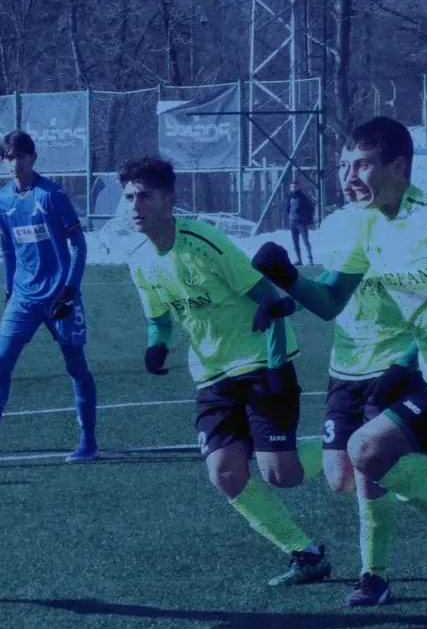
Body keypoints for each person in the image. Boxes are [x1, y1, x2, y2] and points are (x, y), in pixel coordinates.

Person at [121, 155, 331, 587]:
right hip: (212, 377)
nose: (135, 206)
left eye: (144, 196)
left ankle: (344, 447)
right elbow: (159, 319)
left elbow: (268, 296)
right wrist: (156, 346)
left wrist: (273, 335)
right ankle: (305, 553)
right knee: (224, 472)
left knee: (282, 475)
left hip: (259, 363)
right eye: (129, 197)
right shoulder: (139, 259)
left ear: (169, 201)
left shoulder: (205, 242)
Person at [252, 116, 427, 606]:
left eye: (363, 165)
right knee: (361, 459)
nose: (349, 177)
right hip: (412, 372)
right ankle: (376, 578)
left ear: (399, 167)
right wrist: (286, 277)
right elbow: (330, 300)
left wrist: (401, 363)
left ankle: (374, 574)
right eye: (344, 166)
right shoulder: (366, 223)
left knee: (368, 450)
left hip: (408, 370)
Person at [0, 130, 99, 464]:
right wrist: (9, 291)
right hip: (23, 297)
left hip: (59, 296)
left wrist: (70, 290)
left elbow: (79, 244)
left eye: (20, 156)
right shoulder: (2, 200)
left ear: (32, 158)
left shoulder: (52, 195)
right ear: (2, 162)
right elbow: (8, 248)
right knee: (0, 362)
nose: (14, 163)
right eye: (8, 157)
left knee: (76, 366)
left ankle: (88, 443)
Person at [287, 182, 315, 265]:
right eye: (292, 187)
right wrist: (290, 217)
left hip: (302, 223)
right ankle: (299, 260)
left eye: (295, 187)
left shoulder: (303, 197)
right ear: (290, 188)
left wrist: (308, 221)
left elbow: (310, 209)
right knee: (295, 243)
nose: (294, 188)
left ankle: (310, 260)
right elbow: (287, 209)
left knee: (306, 241)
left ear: (298, 187)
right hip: (292, 223)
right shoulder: (289, 197)